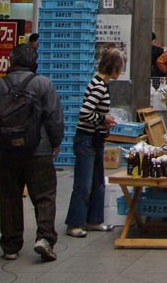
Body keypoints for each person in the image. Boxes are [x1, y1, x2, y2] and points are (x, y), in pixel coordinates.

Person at [0, 44, 64, 262]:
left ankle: (11, 245)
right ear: (34, 62)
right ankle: (44, 239)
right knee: (44, 197)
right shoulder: (44, 85)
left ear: (11, 61)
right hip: (39, 150)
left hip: (7, 151)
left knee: (10, 197)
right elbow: (54, 118)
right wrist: (56, 142)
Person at [65, 47, 124, 237]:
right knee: (84, 184)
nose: (121, 70)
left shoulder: (101, 83)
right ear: (114, 67)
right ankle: (75, 223)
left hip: (96, 139)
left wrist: (103, 121)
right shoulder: (98, 86)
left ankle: (94, 219)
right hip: (87, 140)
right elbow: (85, 113)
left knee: (98, 182)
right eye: (120, 66)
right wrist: (103, 119)